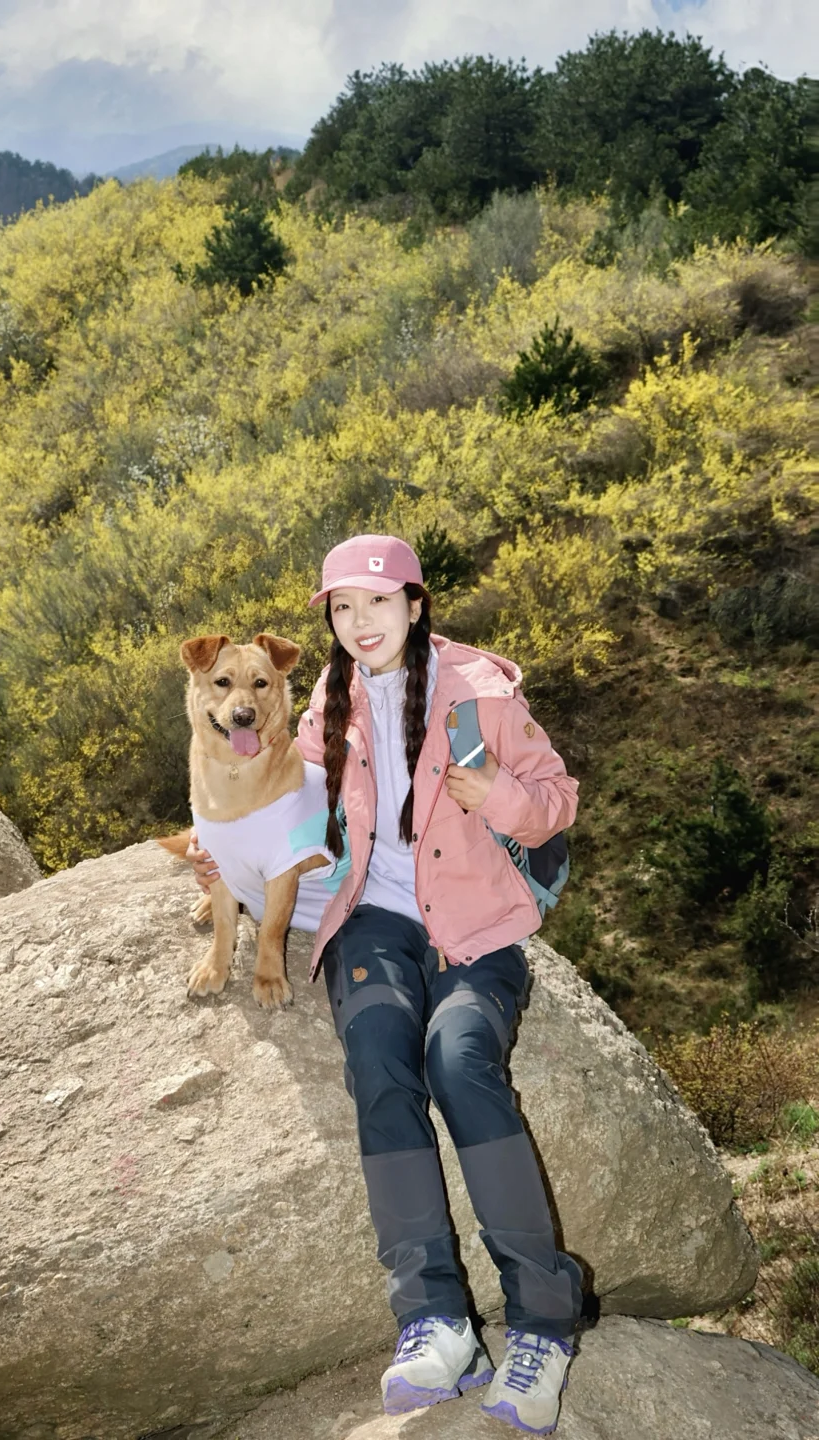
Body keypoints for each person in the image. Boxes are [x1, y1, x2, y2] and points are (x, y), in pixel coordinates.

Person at [189, 534, 583, 1435]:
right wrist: (227, 866)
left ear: (414, 603)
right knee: (376, 1060)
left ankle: (542, 1327)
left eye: (376, 603)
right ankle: (435, 1320)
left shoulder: (481, 692)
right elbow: (292, 801)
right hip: (374, 918)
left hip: (476, 926)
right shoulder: (328, 697)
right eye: (341, 608)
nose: (359, 622)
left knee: (461, 1063)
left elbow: (556, 796)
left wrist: (501, 798)